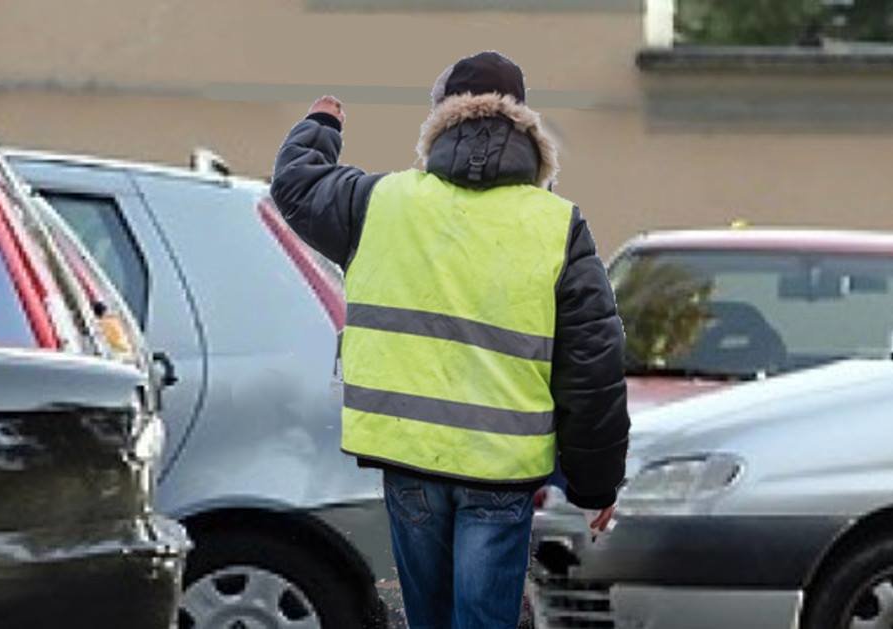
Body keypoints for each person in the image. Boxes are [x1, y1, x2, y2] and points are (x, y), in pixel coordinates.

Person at [270, 51, 630, 629]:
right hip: (501, 470)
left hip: (409, 458)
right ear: (524, 124)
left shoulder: (379, 204)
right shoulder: (558, 225)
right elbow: (594, 365)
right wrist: (596, 481)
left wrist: (321, 127)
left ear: (440, 120)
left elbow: (294, 185)